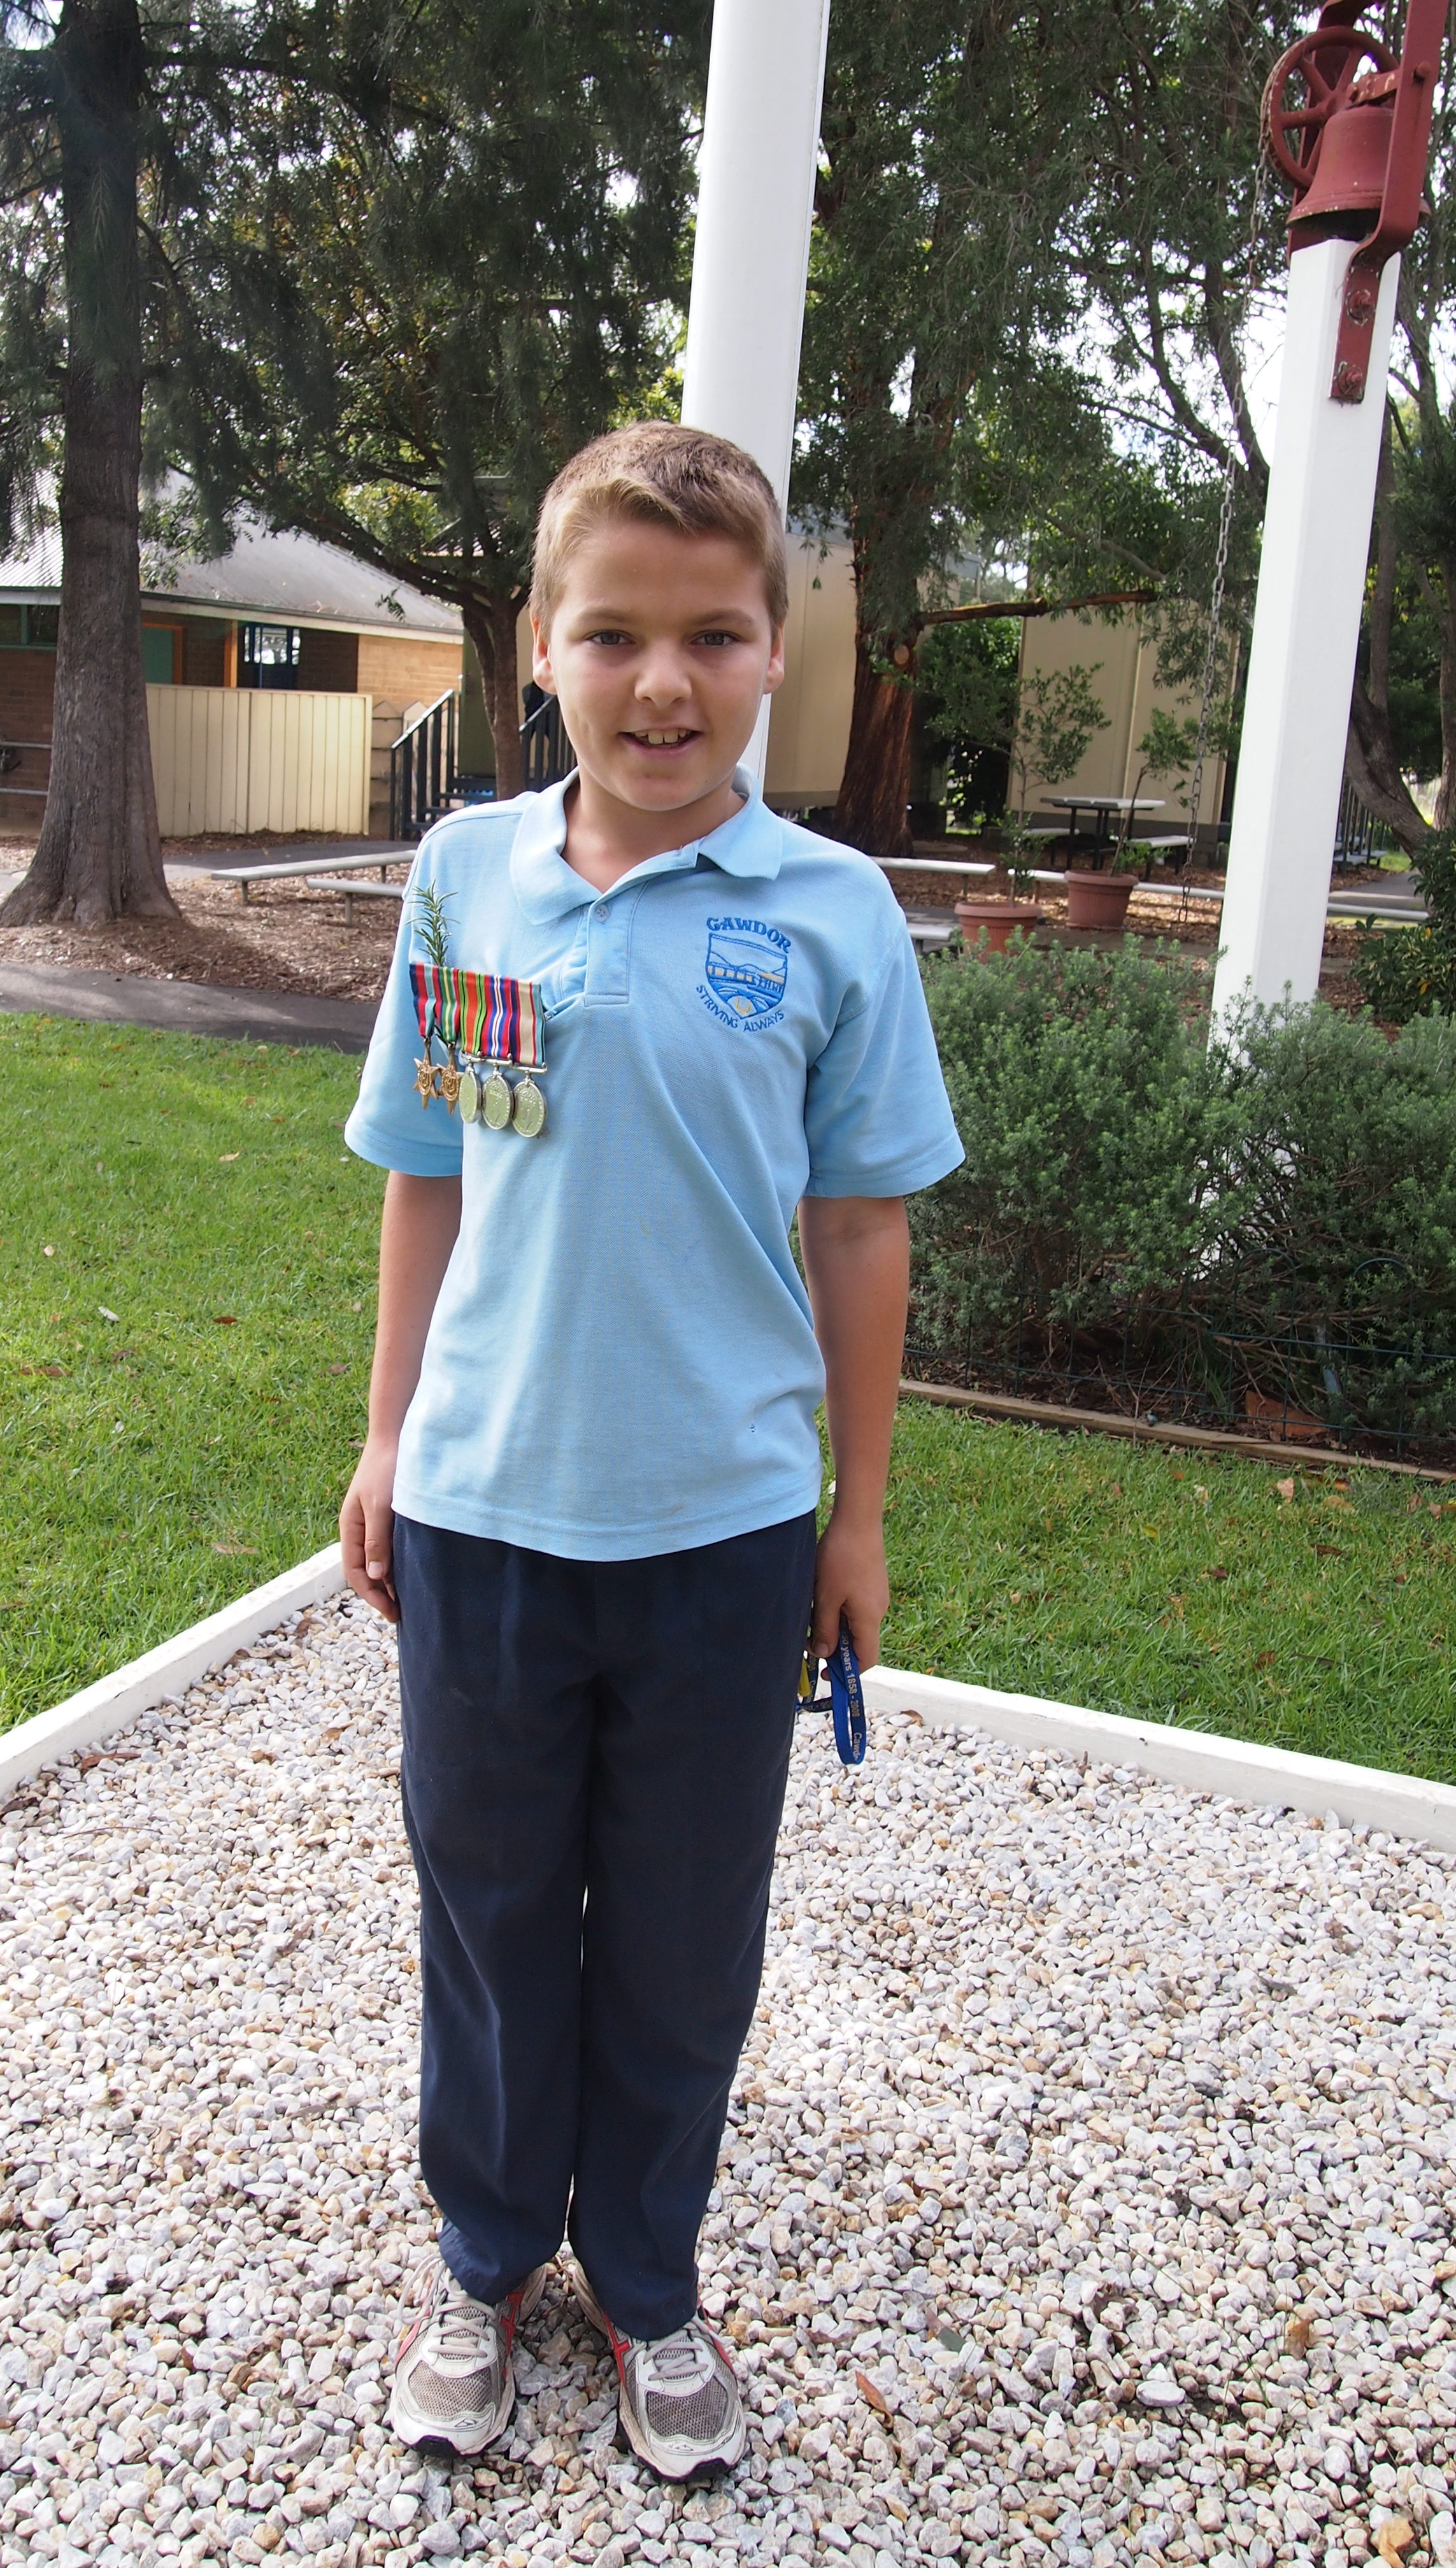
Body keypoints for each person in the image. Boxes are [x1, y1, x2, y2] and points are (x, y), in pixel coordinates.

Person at [339, 422, 962, 2485]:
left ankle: (654, 2283)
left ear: (779, 651)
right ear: (542, 647)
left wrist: (855, 1514)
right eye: (614, 636)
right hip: (486, 1515)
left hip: (720, 1539)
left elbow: (861, 1230)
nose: (662, 684)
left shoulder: (834, 914)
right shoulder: (471, 878)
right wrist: (382, 1439)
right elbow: (435, 1176)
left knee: (689, 1929)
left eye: (713, 635)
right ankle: (490, 2254)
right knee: (492, 1904)